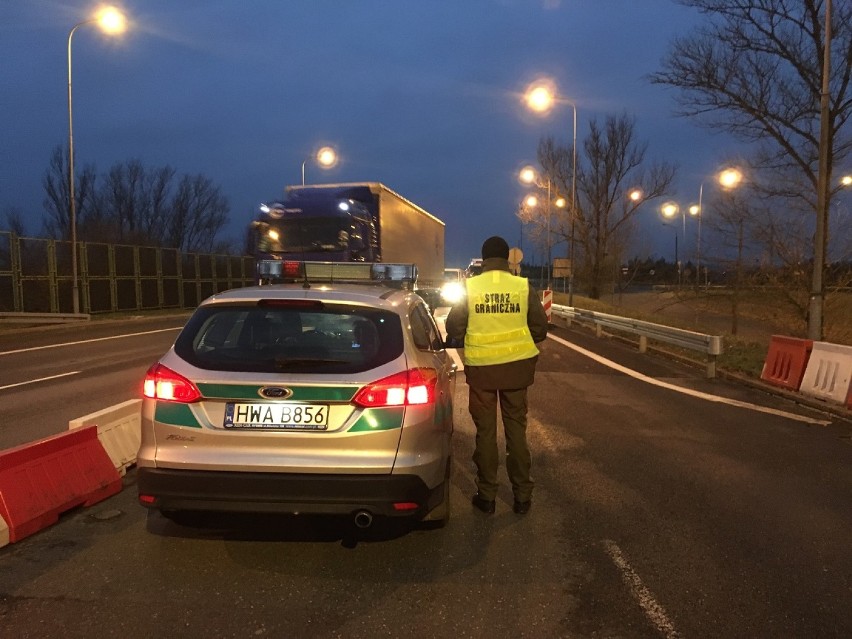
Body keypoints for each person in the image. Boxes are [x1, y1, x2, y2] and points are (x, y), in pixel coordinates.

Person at [445, 236, 549, 515]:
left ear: (484, 258)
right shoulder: (522, 286)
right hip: (516, 371)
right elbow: (540, 328)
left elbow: (454, 326)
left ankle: (487, 496)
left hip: (482, 373)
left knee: (486, 433)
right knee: (516, 431)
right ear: (506, 259)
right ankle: (522, 496)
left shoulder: (471, 287)